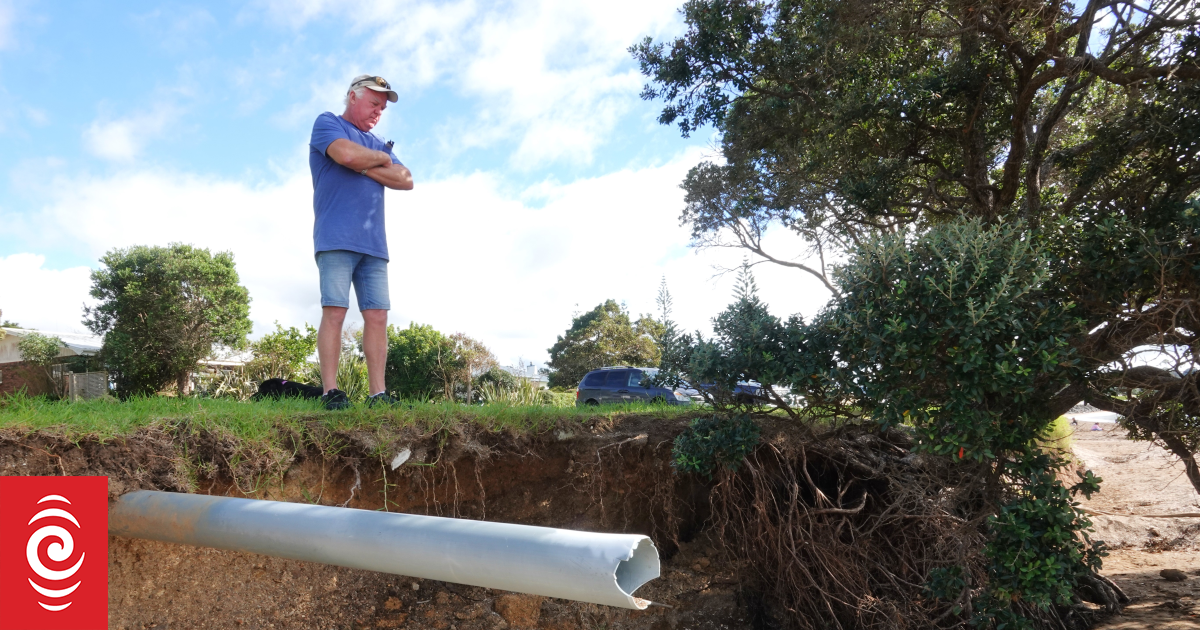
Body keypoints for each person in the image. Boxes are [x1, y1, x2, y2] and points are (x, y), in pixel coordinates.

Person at [309, 75, 413, 409]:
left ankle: (377, 394)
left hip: (374, 245)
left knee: (378, 317)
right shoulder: (328, 123)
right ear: (354, 97)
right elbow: (345, 155)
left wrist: (364, 163)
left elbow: (406, 179)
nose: (378, 112)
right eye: (373, 104)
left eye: (382, 108)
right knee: (335, 311)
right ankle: (330, 391)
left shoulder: (377, 141)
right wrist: (379, 160)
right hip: (336, 237)